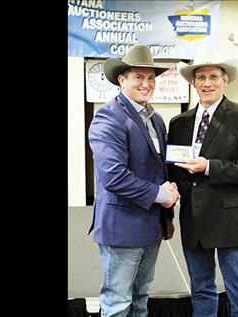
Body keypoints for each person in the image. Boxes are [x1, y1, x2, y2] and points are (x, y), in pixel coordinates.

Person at [168, 45, 238, 316]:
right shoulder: (179, 123)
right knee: (201, 293)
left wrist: (209, 166)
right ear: (193, 82)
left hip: (232, 224)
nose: (207, 83)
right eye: (201, 77)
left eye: (214, 76)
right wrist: (167, 208)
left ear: (224, 80)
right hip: (194, 223)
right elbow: (173, 172)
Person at [88, 44, 180, 317]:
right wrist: (163, 196)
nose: (146, 83)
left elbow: (159, 172)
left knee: (140, 299)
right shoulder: (109, 116)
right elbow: (114, 176)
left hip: (151, 227)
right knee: (117, 304)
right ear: (122, 79)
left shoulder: (156, 118)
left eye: (151, 77)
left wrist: (168, 216)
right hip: (122, 229)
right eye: (138, 77)